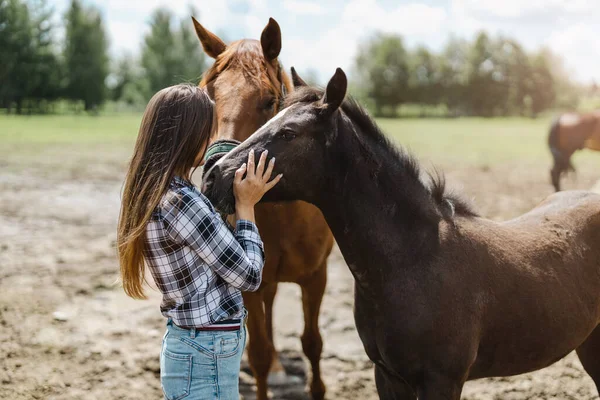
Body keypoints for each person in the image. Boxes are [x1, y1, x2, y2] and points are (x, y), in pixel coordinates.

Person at [117, 84, 281, 399]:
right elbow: (248, 276)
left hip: (194, 345)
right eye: (208, 133)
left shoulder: (156, 191)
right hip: (207, 352)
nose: (212, 143)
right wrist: (246, 206)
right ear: (186, 135)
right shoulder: (181, 202)